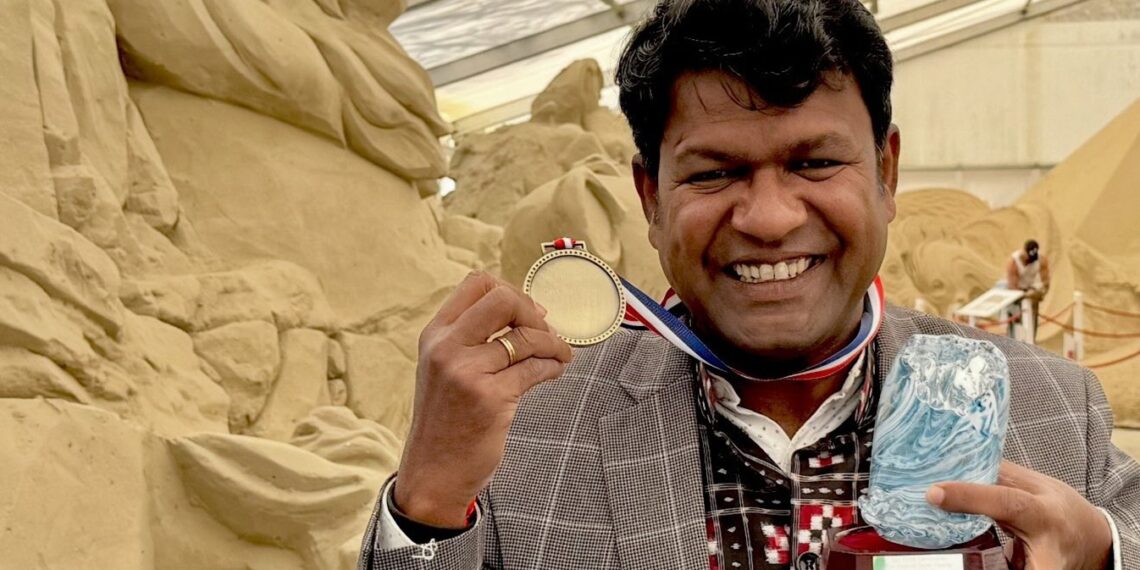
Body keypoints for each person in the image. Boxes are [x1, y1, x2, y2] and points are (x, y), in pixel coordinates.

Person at [359, 1, 1139, 568]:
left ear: (888, 172)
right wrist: (424, 505)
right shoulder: (517, 434)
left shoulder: (1052, 410)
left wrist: (1104, 555)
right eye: (716, 172)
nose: (768, 217)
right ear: (650, 198)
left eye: (815, 162)